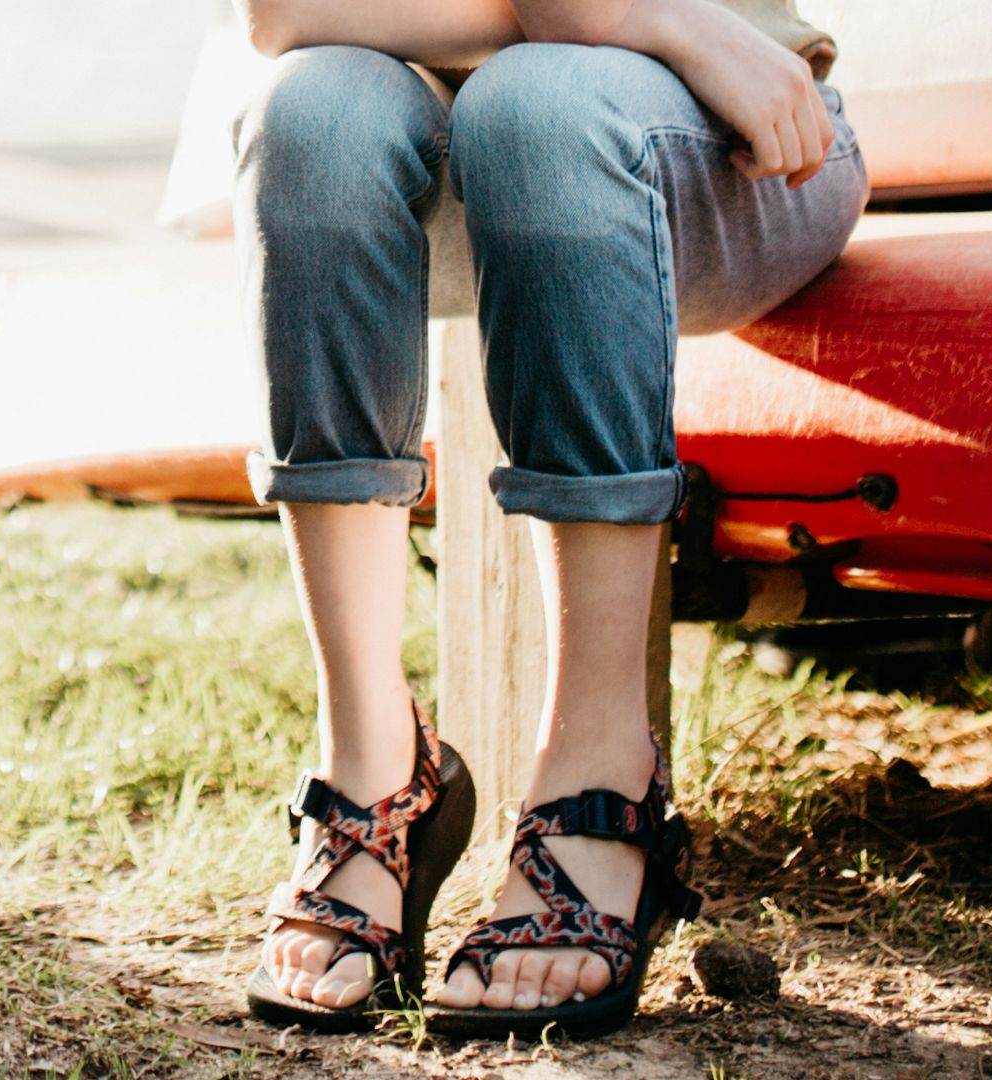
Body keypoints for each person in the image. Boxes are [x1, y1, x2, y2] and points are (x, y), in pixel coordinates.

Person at [230, 0, 867, 1040]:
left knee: (540, 105)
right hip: (465, 151)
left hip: (734, 151)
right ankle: (373, 763)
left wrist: (673, 31)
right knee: (318, 111)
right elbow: (288, 13)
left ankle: (601, 765)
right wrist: (654, 17)